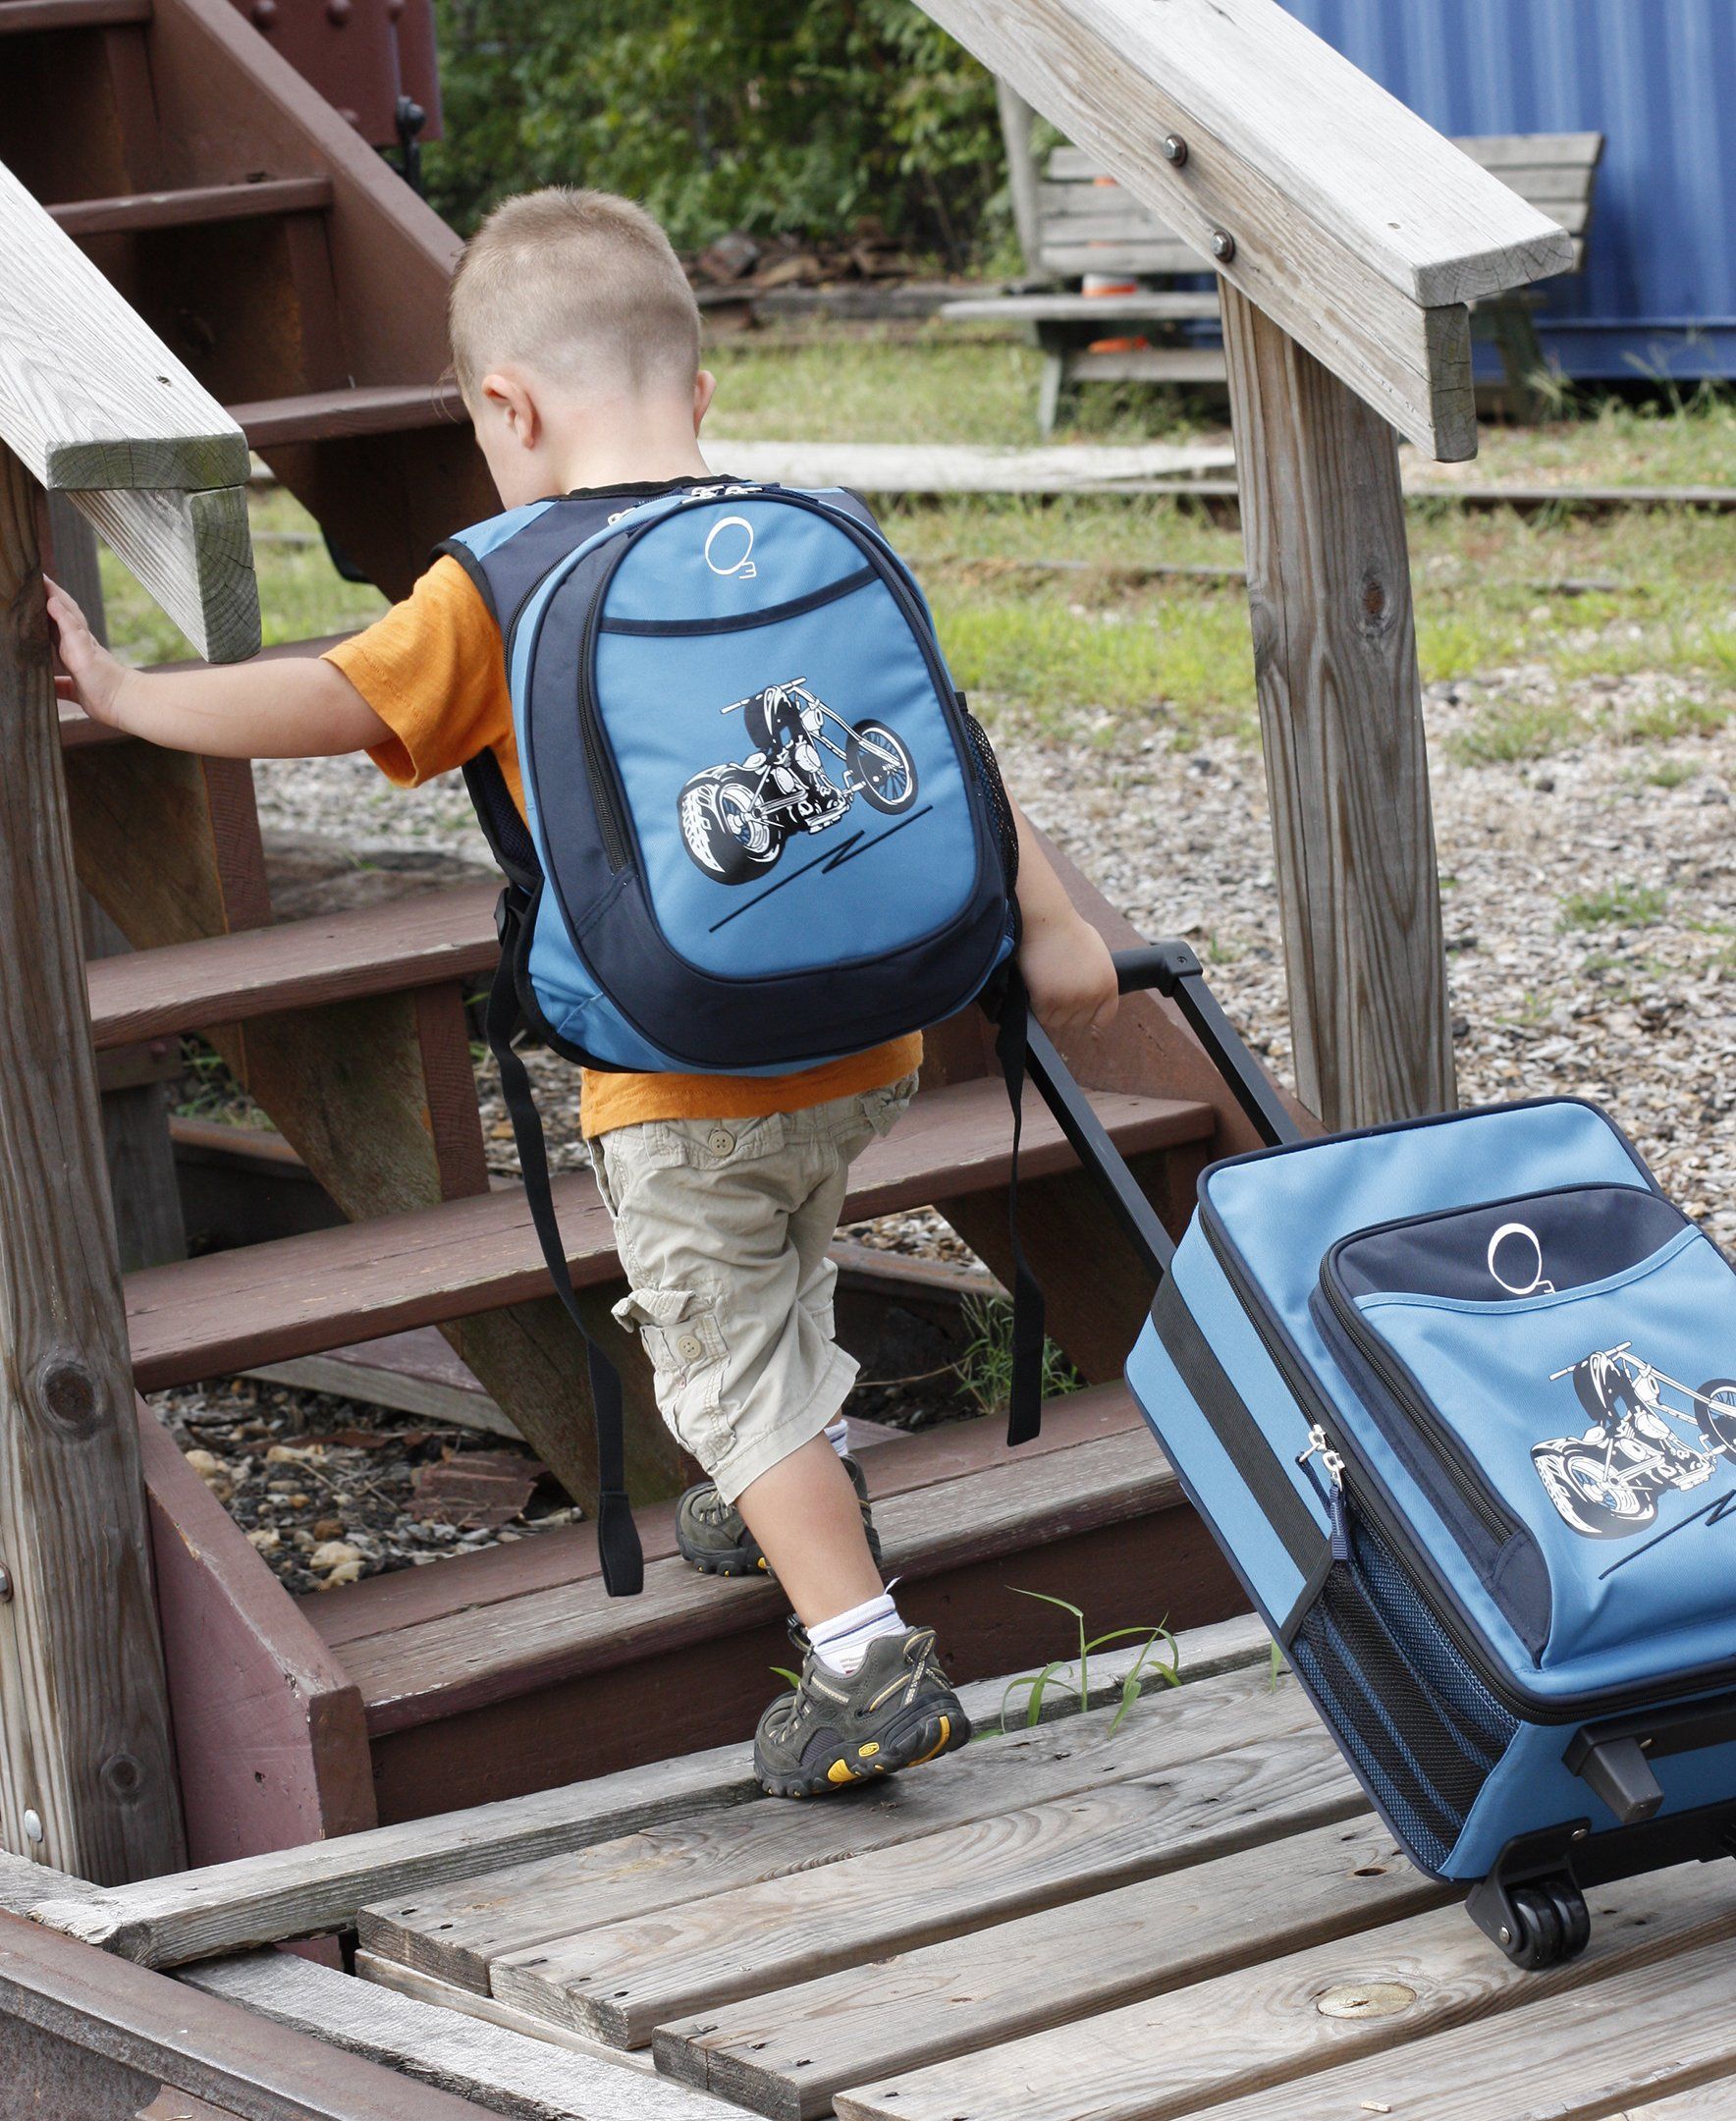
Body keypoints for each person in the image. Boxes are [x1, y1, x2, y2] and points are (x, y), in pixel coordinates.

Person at [46, 187, 1120, 1798]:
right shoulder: (811, 524)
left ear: (509, 407)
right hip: (874, 1040)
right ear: (695, 393)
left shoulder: (496, 583)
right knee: (786, 1268)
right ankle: (778, 1487)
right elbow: (947, 749)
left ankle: (864, 1657)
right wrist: (1059, 933)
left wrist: (128, 691)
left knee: (724, 1349)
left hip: (684, 1082)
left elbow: (328, 701)